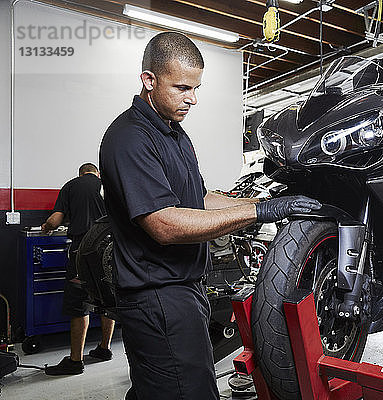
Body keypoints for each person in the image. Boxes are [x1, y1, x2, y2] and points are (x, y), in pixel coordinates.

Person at [99, 32, 321, 400]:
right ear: (149, 80)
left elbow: (200, 198)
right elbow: (164, 224)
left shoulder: (174, 134)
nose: (193, 99)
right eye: (182, 87)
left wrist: (261, 202)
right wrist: (260, 212)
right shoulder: (130, 138)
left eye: (196, 87)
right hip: (157, 297)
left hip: (185, 289)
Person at [43, 163, 116, 376]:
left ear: (80, 174)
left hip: (82, 251)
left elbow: (55, 219)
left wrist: (47, 227)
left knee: (78, 302)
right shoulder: (109, 184)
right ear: (97, 173)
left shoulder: (71, 186)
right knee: (108, 299)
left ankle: (75, 361)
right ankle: (104, 348)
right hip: (111, 252)